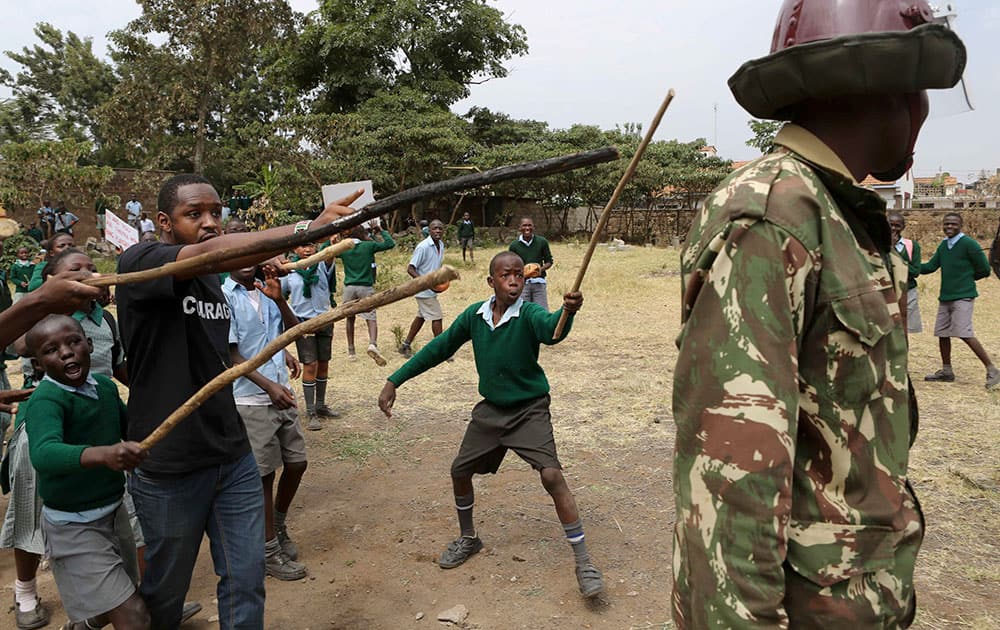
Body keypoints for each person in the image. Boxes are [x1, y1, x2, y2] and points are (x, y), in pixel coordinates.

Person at [672, 1, 966, 626]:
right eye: (919, 87)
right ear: (889, 92)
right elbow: (731, 482)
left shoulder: (832, 212)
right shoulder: (774, 214)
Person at [115, 173, 359, 629]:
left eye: (216, 213)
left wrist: (306, 245)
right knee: (166, 592)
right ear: (164, 223)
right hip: (169, 464)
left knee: (246, 581)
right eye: (195, 215)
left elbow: (225, 265)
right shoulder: (140, 263)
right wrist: (309, 226)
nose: (210, 223)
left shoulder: (213, 283)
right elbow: (212, 253)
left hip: (231, 455)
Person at [378, 252, 603, 597]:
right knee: (459, 470)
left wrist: (568, 312)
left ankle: (584, 561)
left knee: (552, 475)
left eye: (519, 276)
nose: (514, 281)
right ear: (491, 282)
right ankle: (468, 538)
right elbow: (439, 347)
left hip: (529, 410)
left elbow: (552, 330)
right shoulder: (475, 316)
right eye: (506, 275)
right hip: (490, 412)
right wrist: (395, 380)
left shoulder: (528, 314)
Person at [23, 315, 150, 630]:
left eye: (73, 342)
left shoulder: (105, 387)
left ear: (90, 345)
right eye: (52, 350)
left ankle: (84, 624)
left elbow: (130, 427)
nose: (66, 352)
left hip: (113, 512)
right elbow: (44, 452)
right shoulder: (46, 399)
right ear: (38, 365)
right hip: (74, 525)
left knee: (115, 596)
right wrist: (104, 454)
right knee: (134, 617)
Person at [224, 264, 309, 581]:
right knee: (264, 477)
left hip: (281, 391)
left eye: (254, 253)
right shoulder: (224, 297)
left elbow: (292, 330)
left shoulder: (267, 289)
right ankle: (269, 551)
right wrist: (269, 387)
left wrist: (280, 302)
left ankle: (278, 522)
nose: (247, 261)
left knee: (297, 463)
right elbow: (232, 356)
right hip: (251, 399)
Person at [920, 212, 999, 387]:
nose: (949, 227)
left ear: (961, 226)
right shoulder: (943, 245)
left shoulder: (968, 244)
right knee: (942, 333)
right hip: (946, 296)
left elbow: (985, 269)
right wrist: (908, 264)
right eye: (946, 224)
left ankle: (992, 369)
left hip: (963, 296)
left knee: (964, 332)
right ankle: (947, 371)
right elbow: (930, 267)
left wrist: (966, 281)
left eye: (953, 224)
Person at [281, 242, 338, 430]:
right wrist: (293, 318)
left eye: (311, 245)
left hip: (324, 319)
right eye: (302, 246)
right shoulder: (289, 271)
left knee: (323, 363)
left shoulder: (322, 264)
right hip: (303, 323)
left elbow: (330, 258)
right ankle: (311, 411)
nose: (307, 250)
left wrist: (332, 245)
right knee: (310, 365)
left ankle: (321, 405)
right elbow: (279, 297)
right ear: (294, 249)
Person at [338, 222, 395, 365]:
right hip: (365, 287)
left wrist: (334, 239)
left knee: (349, 318)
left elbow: (326, 251)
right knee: (371, 317)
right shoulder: (368, 246)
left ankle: (351, 350)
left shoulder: (343, 249)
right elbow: (389, 244)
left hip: (349, 287)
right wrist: (380, 230)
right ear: (364, 234)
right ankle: (372, 344)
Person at [399, 219, 445, 358]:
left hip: (431, 289)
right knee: (437, 317)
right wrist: (424, 282)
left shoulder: (441, 245)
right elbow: (410, 268)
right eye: (434, 228)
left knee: (421, 317)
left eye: (440, 228)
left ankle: (405, 345)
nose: (437, 231)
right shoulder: (423, 247)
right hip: (423, 290)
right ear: (429, 231)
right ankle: (441, 350)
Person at [889, 212, 923, 333]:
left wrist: (893, 251)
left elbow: (915, 271)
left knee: (905, 327)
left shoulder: (911, 246)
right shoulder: (880, 245)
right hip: (888, 292)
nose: (893, 228)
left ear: (903, 227)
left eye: (897, 226)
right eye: (890, 225)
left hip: (907, 291)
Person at [508, 217, 553, 310]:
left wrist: (539, 269)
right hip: (522, 285)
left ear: (534, 227)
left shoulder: (542, 242)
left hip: (539, 283)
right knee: (522, 312)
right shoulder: (514, 246)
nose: (527, 228)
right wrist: (522, 273)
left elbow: (549, 261)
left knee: (541, 312)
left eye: (529, 225)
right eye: (524, 225)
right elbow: (510, 265)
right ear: (519, 228)